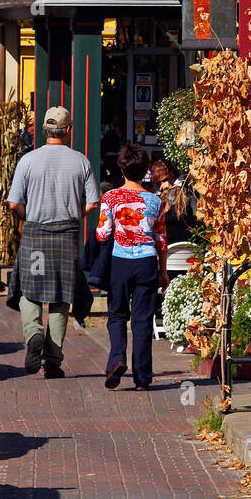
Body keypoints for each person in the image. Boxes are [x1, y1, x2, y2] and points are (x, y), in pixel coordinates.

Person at [7, 106, 100, 378]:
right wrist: (74, 215)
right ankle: (53, 359)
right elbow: (93, 202)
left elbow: (13, 203)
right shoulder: (80, 161)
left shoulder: (28, 160)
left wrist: (30, 218)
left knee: (28, 291)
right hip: (66, 236)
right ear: (69, 130)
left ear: (45, 131)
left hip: (35, 233)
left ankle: (34, 334)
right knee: (61, 298)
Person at [96, 142, 168, 392]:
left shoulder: (110, 198)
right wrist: (163, 271)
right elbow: (161, 239)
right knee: (142, 320)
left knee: (116, 314)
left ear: (122, 168)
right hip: (147, 261)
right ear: (146, 169)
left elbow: (103, 234)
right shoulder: (155, 201)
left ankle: (116, 358)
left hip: (120, 262)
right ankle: (143, 377)